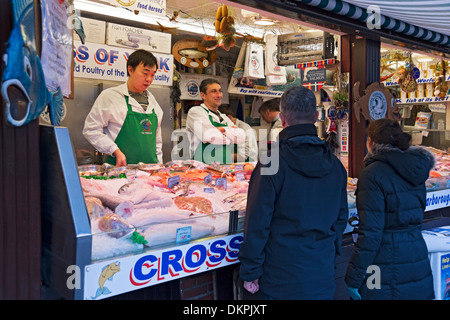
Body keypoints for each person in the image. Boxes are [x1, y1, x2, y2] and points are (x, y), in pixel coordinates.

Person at [238, 86, 348, 300]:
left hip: (280, 280)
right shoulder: (335, 165)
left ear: (282, 118)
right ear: (316, 117)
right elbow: (340, 218)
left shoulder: (271, 161)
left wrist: (250, 271)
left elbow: (257, 222)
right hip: (322, 273)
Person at [345, 118, 435, 300]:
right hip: (416, 257)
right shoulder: (415, 169)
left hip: (382, 265)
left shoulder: (372, 174)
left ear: (370, 142)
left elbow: (371, 234)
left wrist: (353, 279)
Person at [83, 49, 163, 166]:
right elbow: (91, 130)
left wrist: (160, 167)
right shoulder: (110, 96)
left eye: (153, 75)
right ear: (130, 70)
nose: (149, 79)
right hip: (120, 171)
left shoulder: (154, 103)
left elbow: (157, 142)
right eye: (145, 73)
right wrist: (114, 150)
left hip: (150, 173)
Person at [186, 79, 245, 164]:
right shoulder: (196, 112)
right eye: (214, 91)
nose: (219, 95)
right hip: (204, 167)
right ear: (203, 95)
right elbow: (208, 136)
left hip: (226, 165)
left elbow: (241, 137)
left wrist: (222, 130)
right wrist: (230, 137)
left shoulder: (224, 117)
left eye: (220, 91)